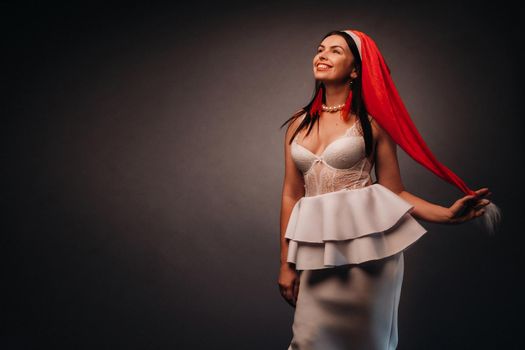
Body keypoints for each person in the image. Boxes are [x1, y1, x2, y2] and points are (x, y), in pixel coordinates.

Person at [278, 29, 501, 350]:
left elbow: (394, 192)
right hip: (317, 252)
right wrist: (285, 263)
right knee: (309, 340)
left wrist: (446, 215)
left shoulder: (373, 124)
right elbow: (290, 194)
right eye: (320, 49)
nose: (322, 55)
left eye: (336, 51)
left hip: (370, 254)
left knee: (367, 342)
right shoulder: (298, 124)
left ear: (355, 70)